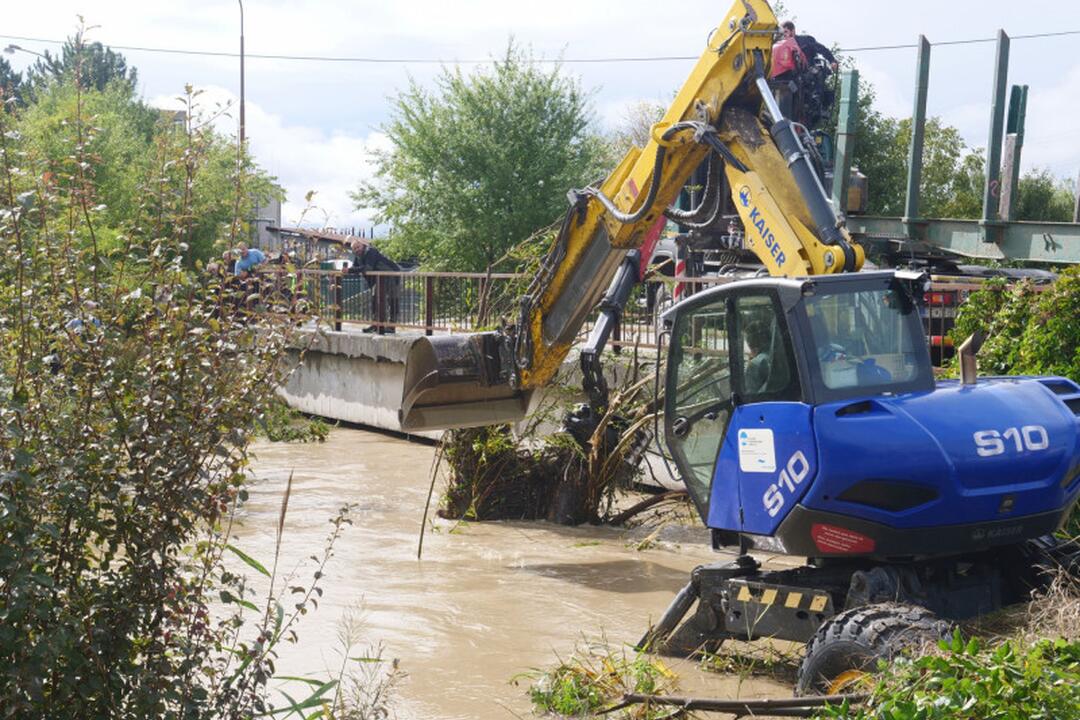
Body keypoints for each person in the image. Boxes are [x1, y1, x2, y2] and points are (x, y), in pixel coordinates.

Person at [348, 239, 401, 334]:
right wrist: (347, 270)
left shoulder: (371, 251)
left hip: (391, 274)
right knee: (375, 300)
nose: (357, 250)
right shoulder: (358, 256)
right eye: (354, 249)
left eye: (358, 247)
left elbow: (368, 268)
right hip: (379, 278)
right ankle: (376, 324)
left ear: (362, 245)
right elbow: (354, 268)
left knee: (392, 300)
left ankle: (391, 326)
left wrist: (351, 270)